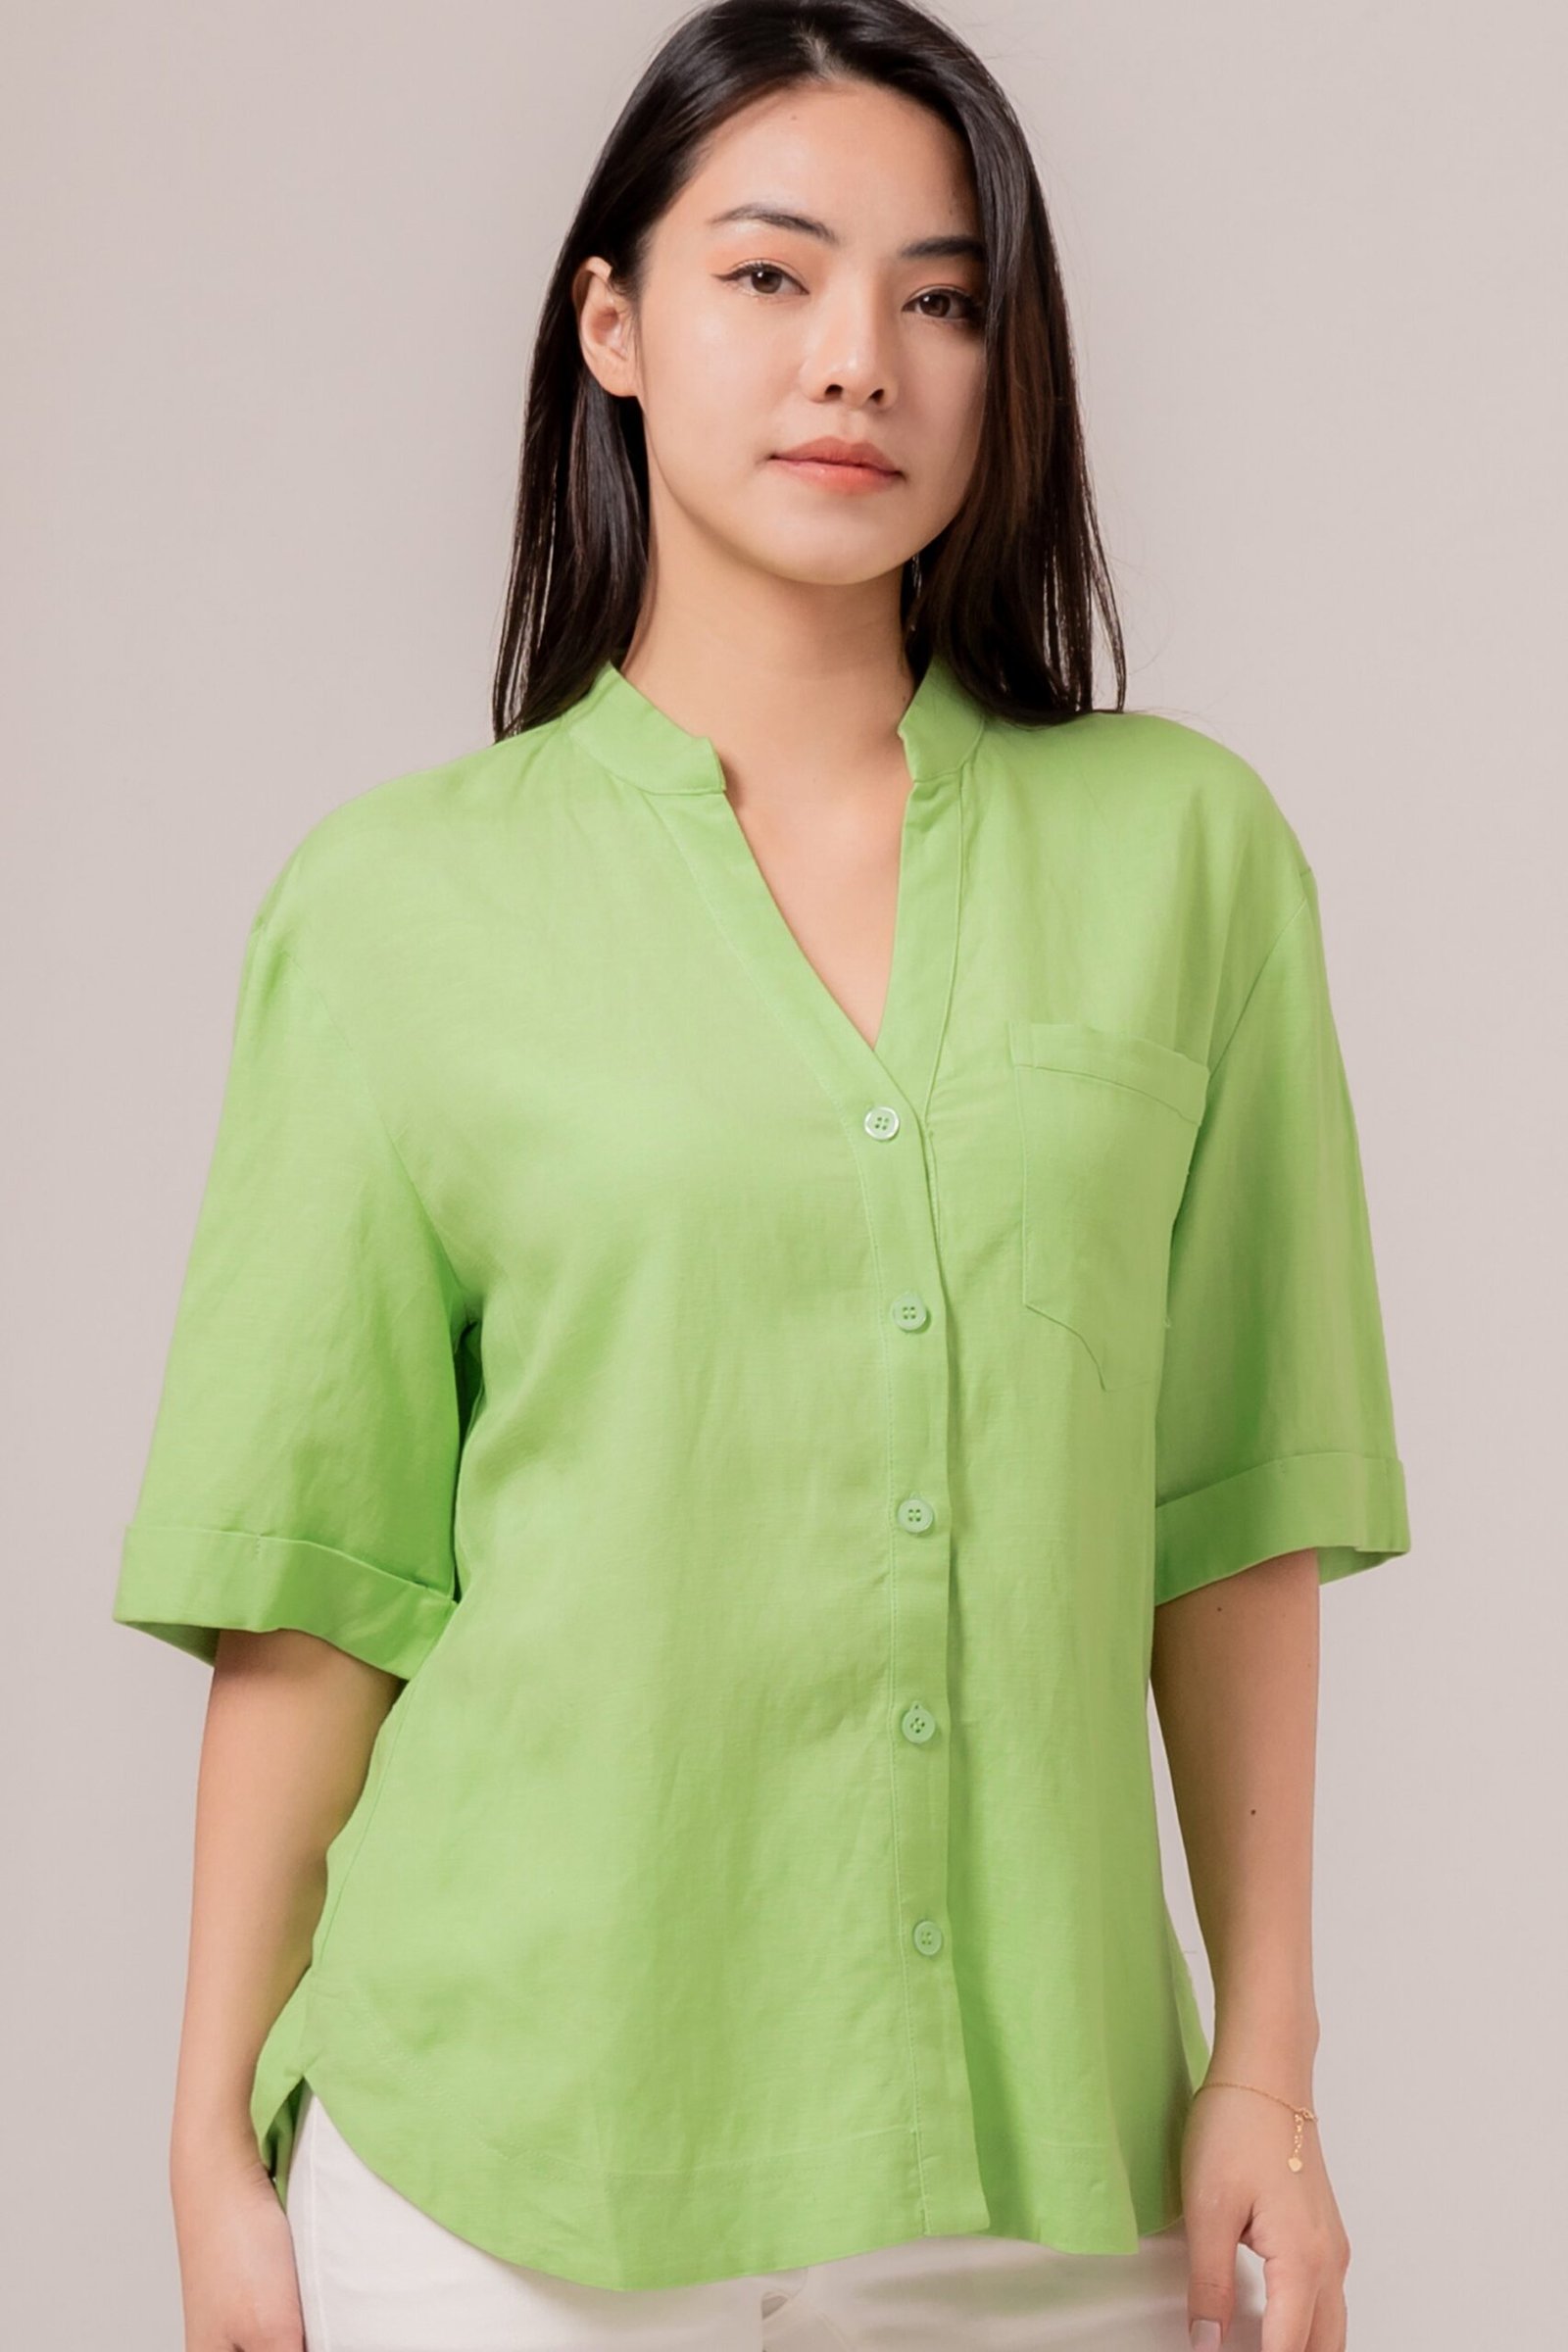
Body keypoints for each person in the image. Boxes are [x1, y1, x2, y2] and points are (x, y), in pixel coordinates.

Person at [112, 3, 1411, 2347]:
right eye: (768, 276)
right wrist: (211, 2140)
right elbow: (320, 1592)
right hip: (498, 2169)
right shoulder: (394, 910)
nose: (856, 362)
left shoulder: (1183, 863)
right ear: (608, 325)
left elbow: (1229, 1521)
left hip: (1042, 2177)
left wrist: (1266, 2070)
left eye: (940, 297)